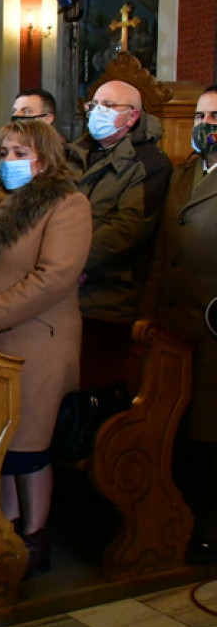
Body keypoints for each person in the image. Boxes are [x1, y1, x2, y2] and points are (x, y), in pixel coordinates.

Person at [0, 120, 92, 576]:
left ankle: (35, 535)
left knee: (29, 447)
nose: (8, 161)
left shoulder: (67, 204)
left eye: (19, 153)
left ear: (45, 159)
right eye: (5, 152)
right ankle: (7, 525)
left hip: (36, 343)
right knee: (1, 444)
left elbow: (53, 277)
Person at [141, 85, 217, 562]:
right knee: (178, 429)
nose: (206, 123)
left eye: (216, 115)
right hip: (174, 324)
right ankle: (177, 520)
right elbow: (163, 251)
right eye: (202, 114)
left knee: (212, 434)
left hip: (212, 325)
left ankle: (208, 527)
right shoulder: (184, 172)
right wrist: (148, 312)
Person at [66, 79, 172, 324]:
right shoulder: (73, 154)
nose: (96, 111)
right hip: (59, 290)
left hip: (107, 298)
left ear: (132, 116)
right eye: (94, 105)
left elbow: (127, 230)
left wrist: (71, 265)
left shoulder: (150, 164)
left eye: (108, 105)